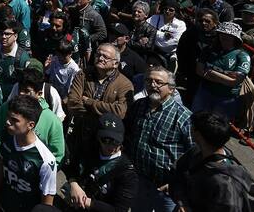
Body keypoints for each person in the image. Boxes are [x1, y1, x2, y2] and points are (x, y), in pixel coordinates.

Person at [125, 67, 192, 212]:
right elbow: (129, 135)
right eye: (149, 81)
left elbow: (194, 155)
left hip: (167, 189)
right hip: (139, 181)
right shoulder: (138, 106)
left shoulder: (184, 117)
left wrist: (179, 185)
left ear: (171, 89)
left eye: (158, 82)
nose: (152, 85)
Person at [66, 43, 133, 173]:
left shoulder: (125, 84)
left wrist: (89, 102)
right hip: (82, 133)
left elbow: (120, 112)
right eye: (98, 54)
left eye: (105, 56)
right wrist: (104, 111)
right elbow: (73, 102)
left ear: (115, 63)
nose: (100, 58)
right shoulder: (83, 74)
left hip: (106, 140)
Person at [169, 111, 253, 212]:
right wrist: (182, 202)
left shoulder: (226, 185)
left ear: (198, 134)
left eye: (193, 126)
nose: (190, 129)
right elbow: (177, 174)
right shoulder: (196, 152)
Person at [0, 95, 57, 210]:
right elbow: (1, 167)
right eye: (8, 117)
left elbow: (47, 204)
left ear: (31, 125)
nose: (7, 122)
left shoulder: (46, 161)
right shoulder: (7, 138)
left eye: (14, 120)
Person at [63, 113, 137, 212]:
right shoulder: (89, 152)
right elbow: (71, 168)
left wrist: (85, 201)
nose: (110, 146)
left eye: (116, 141)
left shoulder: (127, 173)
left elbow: (119, 209)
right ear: (98, 137)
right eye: (105, 140)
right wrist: (74, 184)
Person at [192, 21, 251, 120]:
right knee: (196, 119)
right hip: (204, 92)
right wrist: (224, 78)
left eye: (229, 35)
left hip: (225, 98)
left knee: (217, 126)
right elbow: (199, 70)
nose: (224, 37)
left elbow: (234, 82)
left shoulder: (242, 56)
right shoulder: (209, 50)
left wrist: (211, 72)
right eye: (222, 34)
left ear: (235, 38)